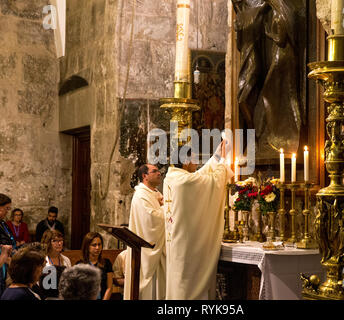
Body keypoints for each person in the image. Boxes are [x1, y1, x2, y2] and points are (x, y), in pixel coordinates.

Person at [232, 0, 302, 157]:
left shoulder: (259, 8)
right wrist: (238, 30)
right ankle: (253, 136)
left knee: (254, 95)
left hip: (254, 60)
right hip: (245, 58)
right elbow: (238, 45)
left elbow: (279, 36)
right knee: (242, 100)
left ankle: (263, 135)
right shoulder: (241, 16)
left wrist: (267, 32)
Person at [163, 140, 233, 299]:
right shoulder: (185, 181)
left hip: (177, 242)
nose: (196, 162)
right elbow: (212, 181)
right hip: (187, 246)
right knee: (187, 284)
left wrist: (216, 156)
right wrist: (223, 163)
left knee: (178, 281)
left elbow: (200, 176)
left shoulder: (173, 178)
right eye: (194, 159)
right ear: (186, 162)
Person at [124, 164, 166, 300]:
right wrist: (168, 207)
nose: (159, 173)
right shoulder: (141, 195)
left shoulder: (155, 193)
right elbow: (151, 221)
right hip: (147, 251)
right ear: (144, 176)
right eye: (154, 171)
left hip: (159, 249)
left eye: (158, 171)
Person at [77, 232, 113, 300]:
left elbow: (109, 287)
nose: (97, 248)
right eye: (94, 245)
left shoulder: (106, 263)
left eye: (99, 244)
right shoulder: (80, 265)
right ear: (87, 246)